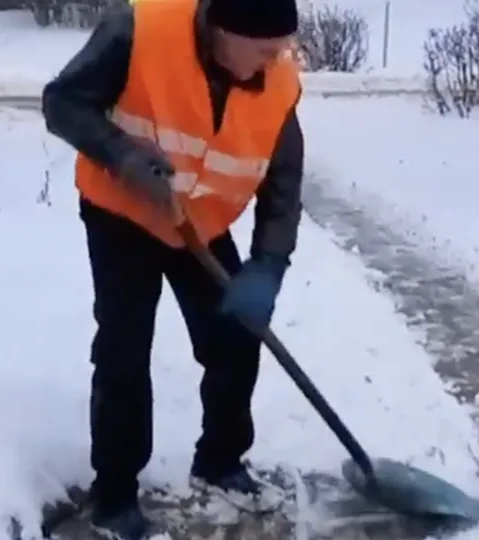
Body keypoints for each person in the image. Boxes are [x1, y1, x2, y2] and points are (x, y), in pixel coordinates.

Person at [41, 0, 304, 536]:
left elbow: (284, 184)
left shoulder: (277, 82)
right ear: (224, 31)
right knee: (124, 349)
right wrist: (126, 159)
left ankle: (221, 460)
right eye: (267, 49)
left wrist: (269, 264)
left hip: (199, 222)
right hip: (121, 213)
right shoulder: (139, 28)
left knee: (235, 337)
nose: (279, 60)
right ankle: (114, 495)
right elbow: (63, 103)